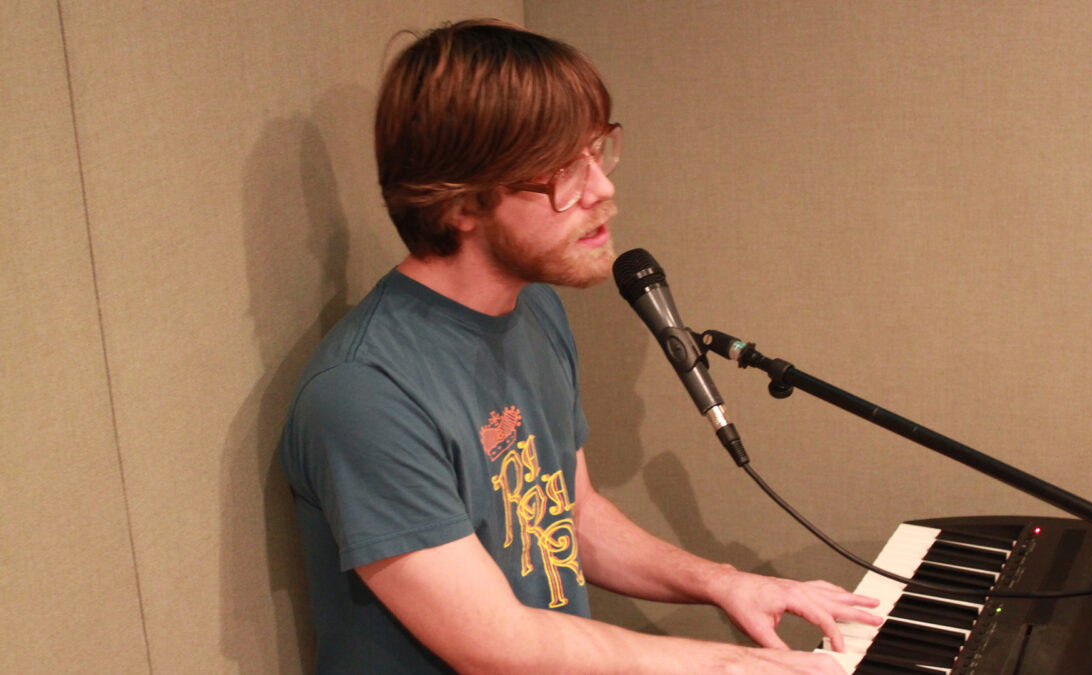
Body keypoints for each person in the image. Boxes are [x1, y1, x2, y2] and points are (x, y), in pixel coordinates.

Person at [278, 18, 881, 674]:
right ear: (460, 204)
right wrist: (740, 666)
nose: (603, 189)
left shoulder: (533, 306)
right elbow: (495, 644)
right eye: (563, 170)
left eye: (597, 152)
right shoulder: (364, 393)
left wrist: (723, 580)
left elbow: (572, 511)